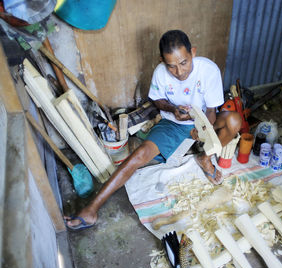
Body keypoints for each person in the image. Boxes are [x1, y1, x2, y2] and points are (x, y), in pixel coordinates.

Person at [64, 30, 242, 230]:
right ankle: (91, 209)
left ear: (193, 52)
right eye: (172, 66)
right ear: (162, 61)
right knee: (138, 156)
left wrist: (203, 130)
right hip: (173, 124)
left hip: (204, 123)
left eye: (184, 62)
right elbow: (157, 100)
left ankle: (205, 158)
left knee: (234, 121)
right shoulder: (160, 73)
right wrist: (173, 109)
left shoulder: (209, 70)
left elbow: (211, 110)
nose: (180, 72)